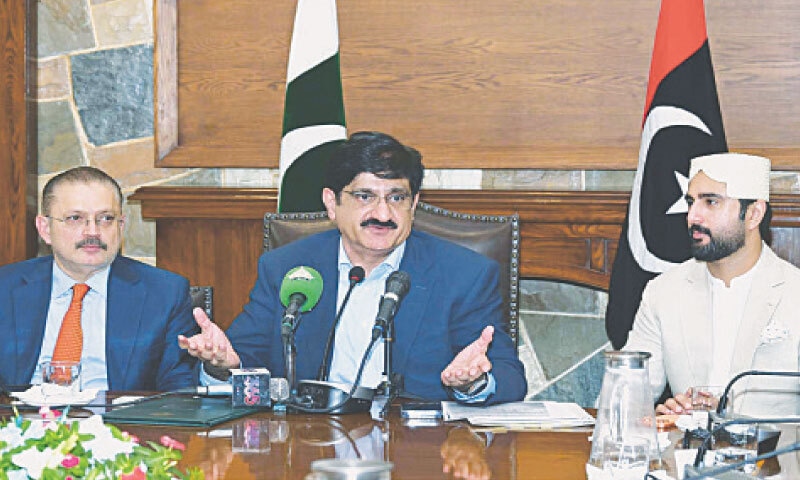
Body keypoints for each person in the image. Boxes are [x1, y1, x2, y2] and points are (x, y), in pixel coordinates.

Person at [179, 131, 527, 405]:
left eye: (396, 197)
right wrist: (220, 366)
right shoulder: (287, 269)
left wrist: (474, 382)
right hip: (311, 452)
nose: (382, 213)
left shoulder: (464, 275)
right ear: (332, 203)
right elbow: (243, 360)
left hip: (419, 455)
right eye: (364, 196)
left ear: (414, 204)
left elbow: (510, 377)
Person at [623, 153, 800, 417]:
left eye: (711, 202)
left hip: (773, 456)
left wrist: (728, 417)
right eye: (691, 202)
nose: (693, 216)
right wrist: (664, 417)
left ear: (753, 214)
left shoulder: (793, 292)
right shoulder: (663, 292)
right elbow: (624, 395)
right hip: (685, 455)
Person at [0, 166, 198, 391]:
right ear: (45, 229)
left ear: (120, 227)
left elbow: (180, 392)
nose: (92, 232)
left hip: (119, 422)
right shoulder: (5, 289)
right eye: (75, 218)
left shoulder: (164, 293)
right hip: (22, 421)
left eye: (106, 218)